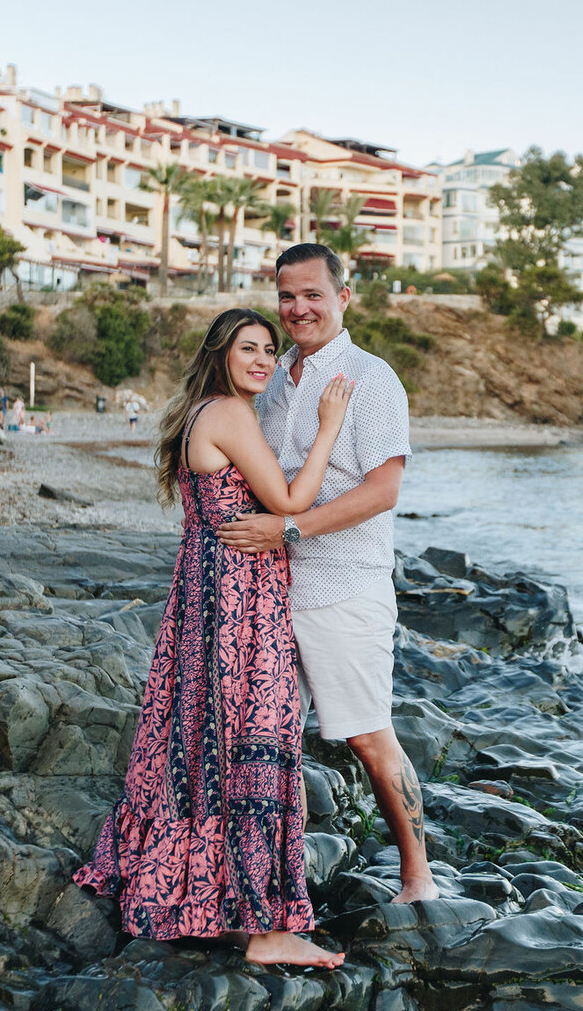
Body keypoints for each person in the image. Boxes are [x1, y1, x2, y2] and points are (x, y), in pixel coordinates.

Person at [74, 307, 354, 967]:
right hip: (237, 601)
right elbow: (290, 503)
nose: (261, 358)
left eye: (269, 350)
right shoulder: (227, 413)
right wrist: (328, 431)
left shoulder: (206, 412)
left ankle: (203, 899)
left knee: (204, 742)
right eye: (247, 347)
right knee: (258, 736)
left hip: (206, 591)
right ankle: (264, 928)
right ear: (221, 353)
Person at [216, 243, 439, 904]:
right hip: (267, 591)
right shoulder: (269, 375)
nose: (298, 308)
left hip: (343, 588)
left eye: (313, 294)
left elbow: (382, 492)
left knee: (370, 736)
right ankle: (260, 883)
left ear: (344, 297)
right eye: (287, 295)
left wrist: (288, 530)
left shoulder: (371, 379)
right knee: (263, 736)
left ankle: (418, 879)